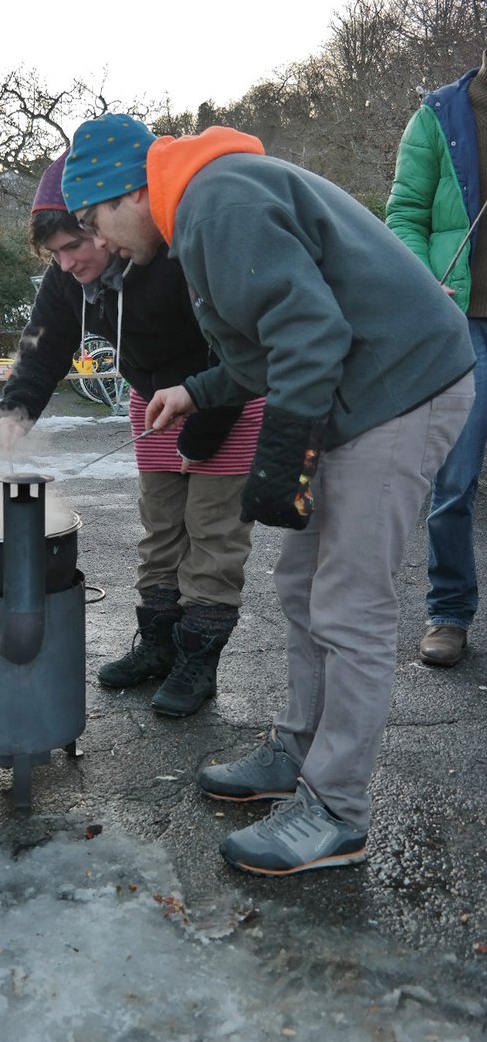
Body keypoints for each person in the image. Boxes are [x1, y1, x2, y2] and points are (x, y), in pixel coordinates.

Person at [61, 113, 475, 876]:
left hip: (403, 388)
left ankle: (338, 812)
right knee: (300, 583)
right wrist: (197, 389)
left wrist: (284, 459)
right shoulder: (202, 207)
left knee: (350, 602)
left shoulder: (218, 201)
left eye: (94, 221)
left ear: (128, 192)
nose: (101, 242)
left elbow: (311, 336)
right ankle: (297, 752)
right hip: (364, 391)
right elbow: (268, 345)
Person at [0, 152, 264, 717]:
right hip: (155, 403)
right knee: (160, 530)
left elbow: (241, 343)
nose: (65, 263)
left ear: (100, 225)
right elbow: (43, 347)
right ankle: (159, 646)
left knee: (213, 537)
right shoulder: (69, 280)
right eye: (54, 254)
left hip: (229, 396)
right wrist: (14, 412)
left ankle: (198, 661)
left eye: (73, 246)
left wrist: (207, 421)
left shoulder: (172, 253)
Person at [386, 51, 487, 668]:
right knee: (454, 480)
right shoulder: (438, 115)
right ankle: (449, 613)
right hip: (462, 326)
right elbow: (403, 216)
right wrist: (426, 281)